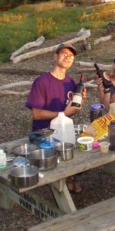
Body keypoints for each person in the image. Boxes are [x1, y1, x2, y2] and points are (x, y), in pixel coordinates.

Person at [26, 42, 86, 192]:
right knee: (62, 156)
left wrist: (80, 102)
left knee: (86, 148)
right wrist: (62, 114)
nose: (68, 57)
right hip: (44, 134)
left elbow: (73, 110)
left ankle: (70, 178)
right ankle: (63, 183)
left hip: (65, 130)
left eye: (71, 56)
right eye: (64, 54)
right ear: (55, 56)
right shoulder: (42, 82)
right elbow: (36, 114)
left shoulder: (71, 83)